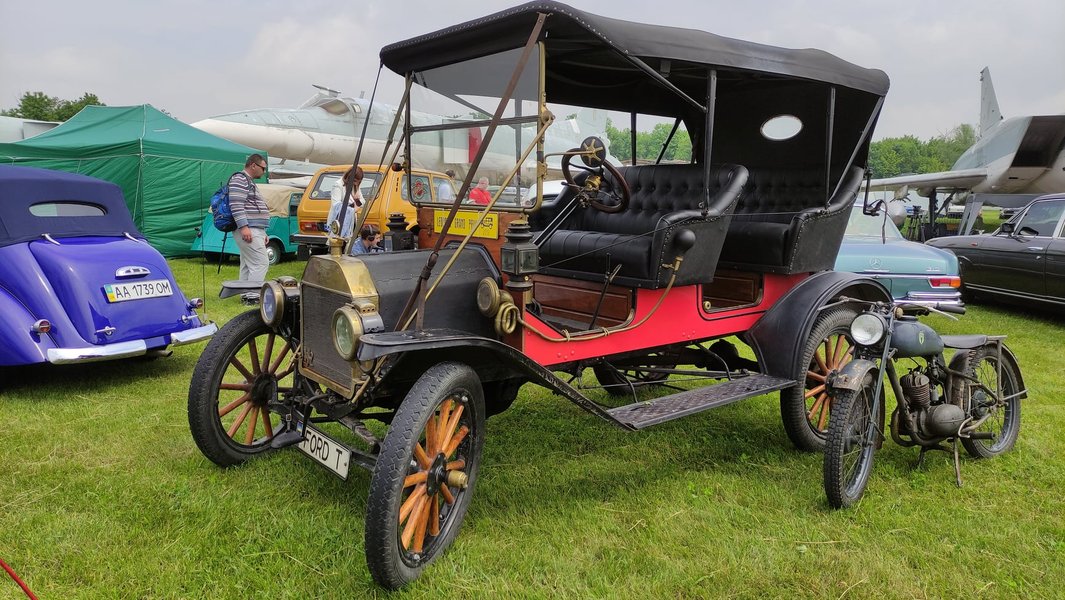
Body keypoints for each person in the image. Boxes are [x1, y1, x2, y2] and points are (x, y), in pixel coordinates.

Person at [230, 154, 271, 282]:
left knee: (248, 264)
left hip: (254, 229)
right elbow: (236, 204)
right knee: (260, 263)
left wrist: (262, 232)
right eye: (263, 168)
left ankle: (245, 295)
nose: (264, 172)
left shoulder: (247, 180)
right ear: (253, 165)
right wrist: (244, 227)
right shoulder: (240, 179)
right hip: (249, 229)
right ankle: (252, 295)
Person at [327, 167, 364, 239]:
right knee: (338, 245)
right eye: (355, 180)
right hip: (339, 222)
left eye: (358, 182)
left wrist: (356, 200)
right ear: (349, 177)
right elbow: (336, 206)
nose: (356, 183)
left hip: (351, 222)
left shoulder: (355, 186)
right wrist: (353, 207)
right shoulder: (338, 185)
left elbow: (362, 203)